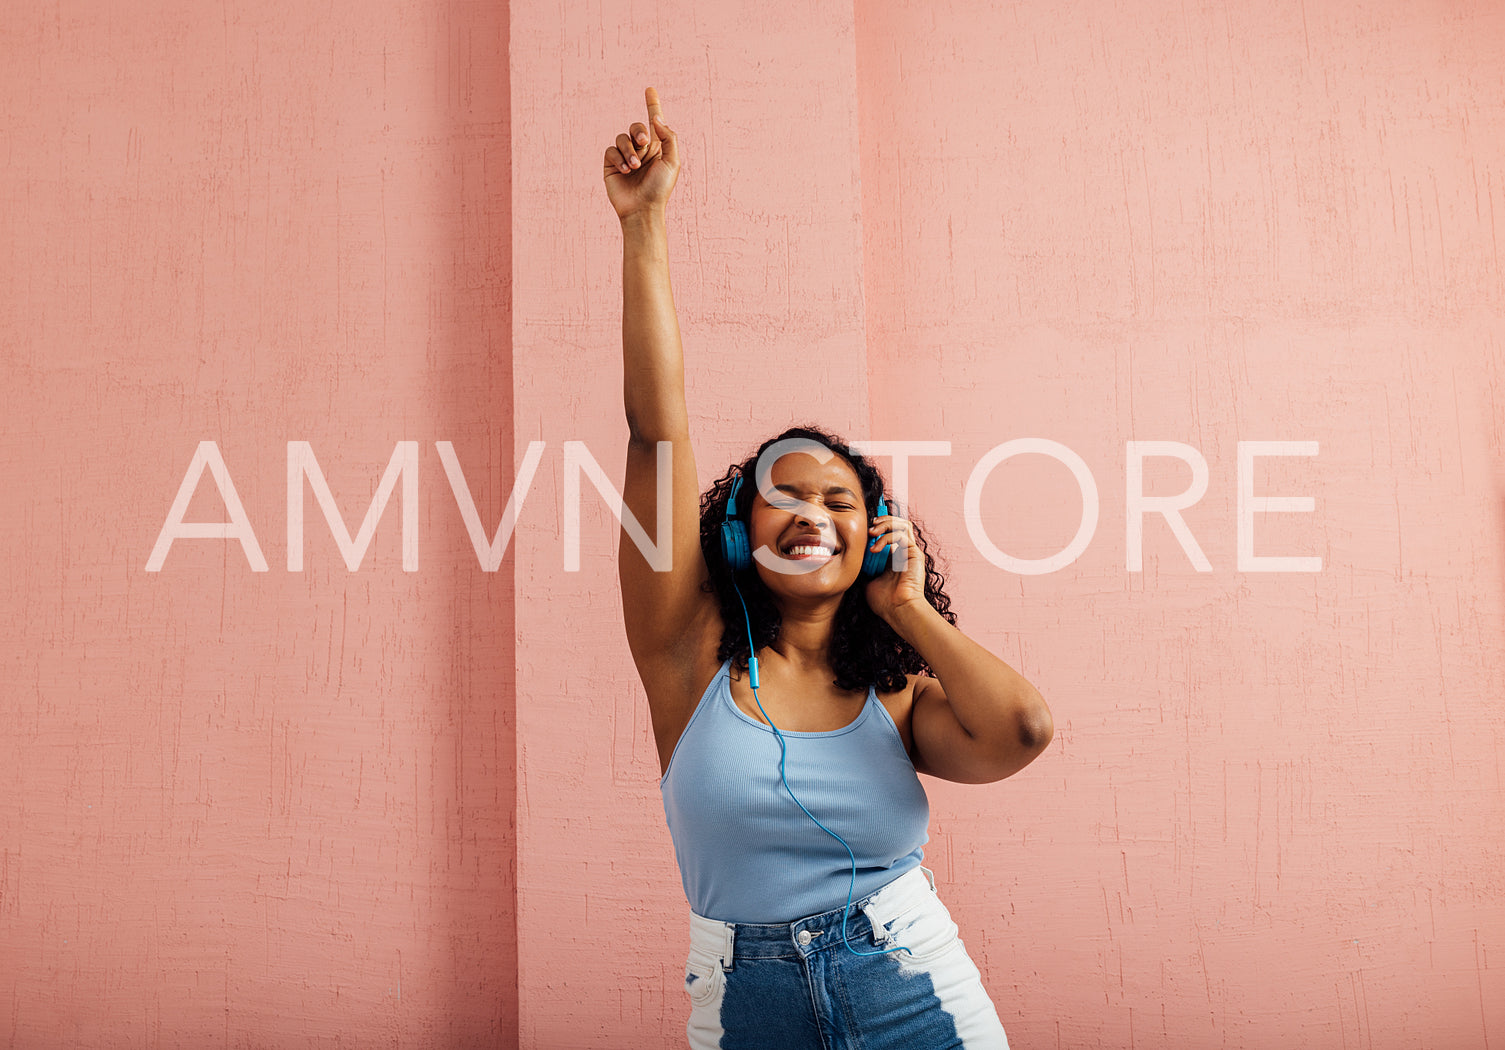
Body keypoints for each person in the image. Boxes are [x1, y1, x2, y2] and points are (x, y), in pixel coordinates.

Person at [604, 86, 1054, 1050]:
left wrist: (912, 612)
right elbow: (655, 430)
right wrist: (646, 226)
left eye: (839, 502)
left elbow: (1022, 729)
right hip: (746, 1002)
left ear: (872, 536)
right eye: (784, 493)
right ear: (735, 531)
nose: (812, 512)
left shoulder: (900, 696)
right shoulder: (683, 659)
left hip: (911, 982)